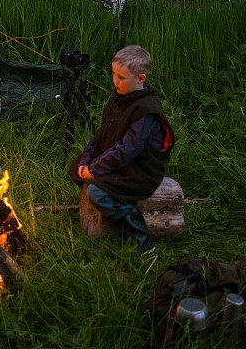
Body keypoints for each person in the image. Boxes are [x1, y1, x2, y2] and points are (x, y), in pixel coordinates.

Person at [68, 45, 175, 254]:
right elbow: (100, 135)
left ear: (141, 79)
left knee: (96, 192)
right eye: (114, 75)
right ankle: (106, 204)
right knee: (75, 168)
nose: (115, 81)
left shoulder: (146, 110)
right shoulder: (120, 97)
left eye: (121, 77)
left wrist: (95, 169)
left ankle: (141, 237)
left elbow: (126, 150)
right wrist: (86, 162)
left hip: (140, 171)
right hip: (122, 162)